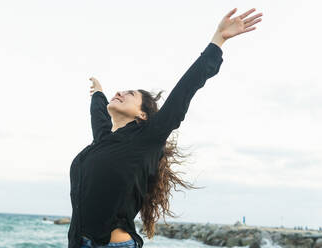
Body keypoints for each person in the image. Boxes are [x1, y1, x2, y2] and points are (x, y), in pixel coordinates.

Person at [68, 7, 263, 248]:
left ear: (142, 114)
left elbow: (186, 89)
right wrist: (98, 93)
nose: (120, 92)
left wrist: (218, 39)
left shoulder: (147, 138)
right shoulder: (103, 141)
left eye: (129, 93)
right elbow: (98, 117)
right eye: (120, 91)